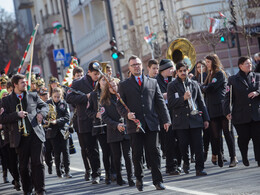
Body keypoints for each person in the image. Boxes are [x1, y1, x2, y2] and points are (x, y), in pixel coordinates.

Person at [117, 55, 171, 191]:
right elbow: (119, 105)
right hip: (134, 125)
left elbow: (159, 102)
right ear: (129, 68)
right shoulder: (124, 85)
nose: (136, 66)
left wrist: (166, 119)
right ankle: (139, 178)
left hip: (151, 123)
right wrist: (126, 114)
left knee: (155, 152)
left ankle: (158, 181)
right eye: (133, 65)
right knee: (137, 153)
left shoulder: (152, 82)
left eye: (138, 64)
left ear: (142, 66)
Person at [0, 74, 48, 195]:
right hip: (20, 138)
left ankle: (40, 190)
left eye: (25, 82)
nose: (25, 84)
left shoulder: (33, 95)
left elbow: (45, 106)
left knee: (38, 163)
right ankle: (27, 190)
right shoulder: (6, 101)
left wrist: (41, 114)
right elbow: (2, 118)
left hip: (35, 135)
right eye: (22, 82)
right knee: (23, 167)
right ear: (15, 85)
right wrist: (17, 115)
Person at [168, 62, 210, 176]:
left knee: (198, 145)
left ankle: (199, 168)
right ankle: (185, 162)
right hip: (181, 121)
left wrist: (206, 119)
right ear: (176, 72)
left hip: (195, 118)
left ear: (187, 71)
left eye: (184, 70)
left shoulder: (194, 84)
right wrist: (183, 98)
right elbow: (170, 103)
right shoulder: (172, 86)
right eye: (180, 71)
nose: (182, 73)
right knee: (183, 144)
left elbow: (201, 102)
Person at [66, 61, 101, 184]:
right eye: (95, 74)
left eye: (99, 73)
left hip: (102, 118)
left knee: (107, 148)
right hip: (86, 120)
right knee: (91, 149)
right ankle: (95, 173)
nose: (97, 76)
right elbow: (68, 98)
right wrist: (85, 97)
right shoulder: (78, 83)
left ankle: (111, 171)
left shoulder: (103, 81)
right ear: (89, 72)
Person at [201, 54, 237, 167]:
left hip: (221, 108)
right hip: (212, 109)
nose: (206, 64)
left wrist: (203, 88)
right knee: (215, 135)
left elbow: (210, 88)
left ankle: (233, 157)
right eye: (206, 62)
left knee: (227, 133)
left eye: (208, 62)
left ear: (213, 62)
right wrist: (204, 87)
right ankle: (220, 155)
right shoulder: (209, 74)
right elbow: (205, 87)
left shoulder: (219, 73)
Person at [224, 56, 260, 167]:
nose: (250, 65)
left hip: (255, 113)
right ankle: (244, 156)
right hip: (240, 115)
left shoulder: (257, 76)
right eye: (246, 63)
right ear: (240, 66)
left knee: (258, 138)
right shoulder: (233, 79)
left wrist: (257, 92)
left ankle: (259, 159)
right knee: (243, 138)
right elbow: (228, 97)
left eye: (250, 63)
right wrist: (227, 111)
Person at [100, 78, 134, 186]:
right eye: (111, 86)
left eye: (115, 85)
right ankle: (119, 177)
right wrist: (116, 125)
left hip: (125, 129)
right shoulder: (104, 101)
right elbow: (104, 117)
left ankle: (130, 177)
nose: (113, 88)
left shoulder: (123, 97)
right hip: (113, 131)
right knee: (116, 156)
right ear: (107, 88)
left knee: (127, 155)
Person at [86, 75, 114, 185]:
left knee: (114, 151)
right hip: (100, 127)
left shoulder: (112, 92)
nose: (105, 82)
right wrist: (95, 114)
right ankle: (107, 173)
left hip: (112, 125)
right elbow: (88, 111)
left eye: (107, 80)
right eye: (103, 80)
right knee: (106, 151)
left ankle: (115, 172)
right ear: (98, 81)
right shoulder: (93, 94)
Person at [156, 59, 181, 175]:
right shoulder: (155, 81)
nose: (172, 71)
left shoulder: (174, 80)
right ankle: (170, 166)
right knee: (168, 141)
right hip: (163, 115)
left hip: (175, 112)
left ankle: (178, 164)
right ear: (163, 70)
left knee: (179, 140)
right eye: (170, 68)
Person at [46, 87, 72, 178]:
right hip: (53, 131)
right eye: (55, 96)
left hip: (63, 130)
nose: (56, 98)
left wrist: (57, 121)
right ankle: (58, 171)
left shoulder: (64, 103)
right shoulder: (47, 104)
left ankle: (67, 171)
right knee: (56, 152)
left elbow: (67, 117)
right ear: (52, 95)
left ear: (61, 96)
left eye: (58, 96)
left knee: (66, 151)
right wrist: (48, 121)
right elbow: (45, 116)